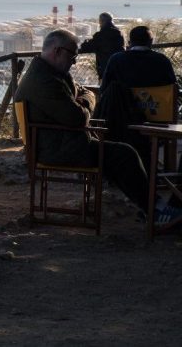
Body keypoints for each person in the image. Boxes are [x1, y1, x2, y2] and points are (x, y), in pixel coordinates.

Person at [14, 29, 181, 226]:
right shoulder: (44, 81)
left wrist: (84, 100)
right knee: (125, 154)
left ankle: (153, 208)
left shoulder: (48, 74)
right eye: (73, 55)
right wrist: (86, 102)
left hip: (61, 143)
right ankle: (154, 210)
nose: (74, 61)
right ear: (58, 51)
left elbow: (84, 93)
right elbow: (77, 117)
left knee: (121, 153)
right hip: (61, 149)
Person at [99, 25, 180, 167]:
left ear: (130, 42)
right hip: (158, 120)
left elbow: (105, 90)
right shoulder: (162, 61)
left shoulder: (117, 60)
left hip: (123, 120)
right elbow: (172, 89)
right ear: (151, 42)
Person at [79, 12, 125, 80]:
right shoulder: (119, 35)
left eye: (99, 21)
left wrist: (84, 43)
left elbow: (87, 47)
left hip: (105, 69)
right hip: (119, 68)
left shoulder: (100, 35)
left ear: (102, 21)